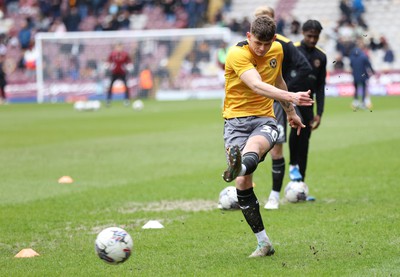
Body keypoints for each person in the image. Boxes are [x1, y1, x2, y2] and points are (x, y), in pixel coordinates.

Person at [221, 16, 313, 257]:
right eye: (256, 43)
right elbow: (257, 85)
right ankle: (264, 243)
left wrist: (290, 112)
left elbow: (278, 81)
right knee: (243, 184)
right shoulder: (236, 54)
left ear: (273, 39)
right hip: (235, 123)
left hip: (265, 119)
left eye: (266, 43)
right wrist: (293, 97)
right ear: (249, 35)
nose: (261, 49)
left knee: (256, 146)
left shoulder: (277, 49)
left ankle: (238, 166)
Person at [253, 6, 313, 210]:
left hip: (276, 102)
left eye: (266, 18)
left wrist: (287, 92)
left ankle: (274, 196)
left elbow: (304, 68)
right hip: (250, 103)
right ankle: (243, 191)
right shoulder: (246, 47)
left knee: (276, 148)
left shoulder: (284, 45)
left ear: (273, 21)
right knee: (246, 149)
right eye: (258, 19)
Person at [288, 20, 327, 188]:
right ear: (303, 33)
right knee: (298, 126)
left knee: (305, 141)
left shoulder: (321, 56)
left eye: (315, 37)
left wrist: (320, 112)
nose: (312, 40)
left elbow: (320, 86)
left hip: (309, 102)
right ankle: (292, 164)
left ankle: (300, 182)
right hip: (291, 99)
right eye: (309, 36)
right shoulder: (293, 49)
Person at [349, 39, 375, 110]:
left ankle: (356, 102)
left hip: (355, 76)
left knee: (356, 89)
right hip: (363, 76)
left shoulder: (352, 58)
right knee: (363, 89)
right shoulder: (363, 57)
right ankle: (363, 102)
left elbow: (351, 65)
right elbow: (369, 65)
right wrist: (373, 72)